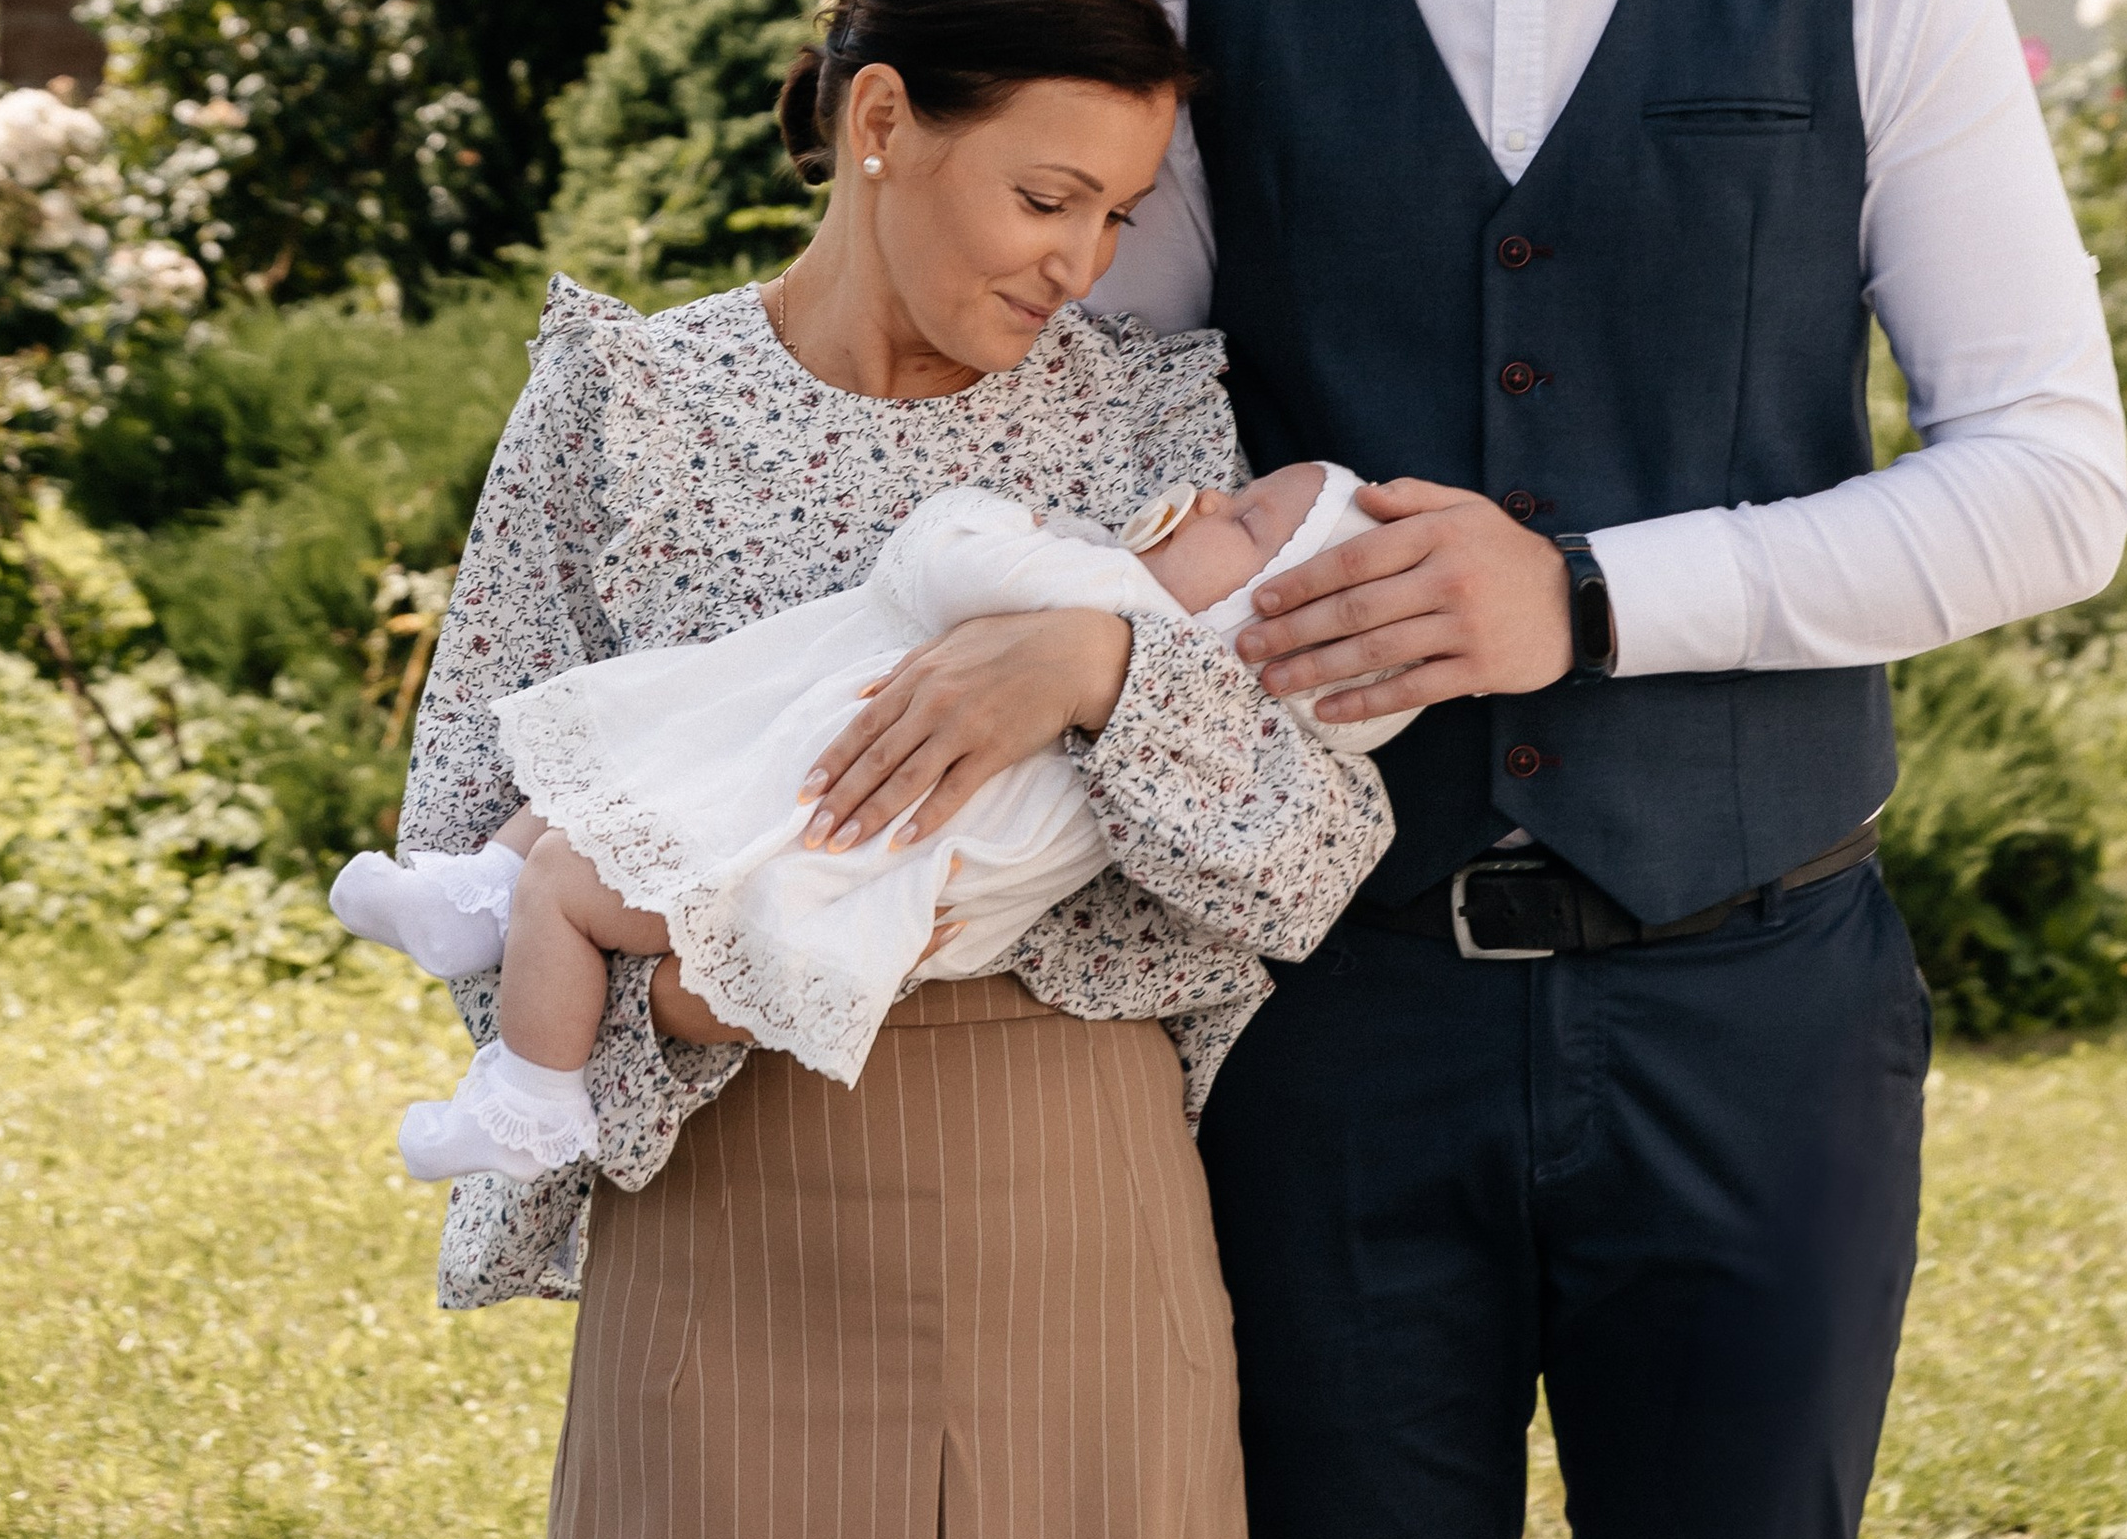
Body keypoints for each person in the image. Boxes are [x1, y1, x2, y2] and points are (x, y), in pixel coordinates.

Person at [1092, 0, 2127, 1539]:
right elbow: (1077, 451)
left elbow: (2047, 473)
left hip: (1751, 1006)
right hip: (1323, 1024)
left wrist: (1581, 596)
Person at [393, 0, 1394, 1539]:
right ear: (879, 125)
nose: (1081, 260)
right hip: (734, 1203)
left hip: (1073, 1205)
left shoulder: (1150, 431)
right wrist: (666, 1014)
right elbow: (467, 832)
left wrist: (1097, 665)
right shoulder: (625, 407)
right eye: (1044, 196)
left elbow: (1310, 851)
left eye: (1117, 210)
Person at [339, 456, 1405, 1156]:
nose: (1210, 494)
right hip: (836, 872)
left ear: (1266, 617)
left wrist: (1005, 517)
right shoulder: (1163, 689)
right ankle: (479, 894)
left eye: (1250, 514)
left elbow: (940, 559)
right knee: (631, 758)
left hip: (815, 873)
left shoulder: (1112, 603)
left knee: (573, 881)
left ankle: (528, 1097)